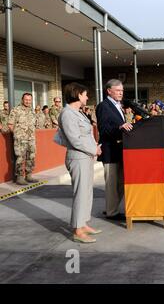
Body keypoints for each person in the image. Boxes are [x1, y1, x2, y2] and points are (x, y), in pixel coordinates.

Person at [58, 83, 102, 243]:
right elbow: (75, 139)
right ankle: (77, 230)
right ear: (77, 95)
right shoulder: (68, 114)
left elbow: (85, 135)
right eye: (85, 94)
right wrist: (94, 149)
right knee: (80, 193)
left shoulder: (79, 113)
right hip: (77, 157)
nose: (87, 97)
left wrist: (94, 147)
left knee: (87, 192)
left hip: (85, 156)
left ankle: (83, 223)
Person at [95, 79, 133, 220]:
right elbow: (103, 129)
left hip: (120, 150)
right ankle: (112, 212)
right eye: (118, 90)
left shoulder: (118, 106)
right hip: (110, 150)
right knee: (112, 184)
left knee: (121, 182)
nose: (121, 93)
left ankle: (112, 207)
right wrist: (119, 127)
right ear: (109, 91)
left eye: (122, 91)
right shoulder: (103, 106)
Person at [8, 93, 39, 185]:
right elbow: (10, 125)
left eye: (29, 100)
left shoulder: (32, 111)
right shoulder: (16, 110)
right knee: (20, 158)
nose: (28, 101)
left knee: (31, 157)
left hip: (31, 139)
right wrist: (17, 135)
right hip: (20, 139)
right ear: (22, 100)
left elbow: (34, 125)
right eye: (26, 99)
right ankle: (20, 177)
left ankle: (29, 175)